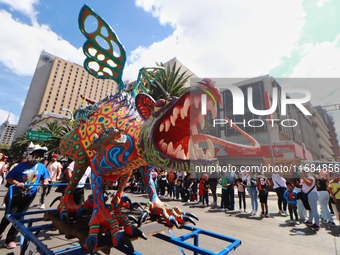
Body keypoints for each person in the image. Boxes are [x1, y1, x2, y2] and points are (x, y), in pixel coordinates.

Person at [0, 143, 49, 249]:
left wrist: (45, 181)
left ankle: (10, 239)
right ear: (29, 154)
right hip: (15, 195)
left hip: (29, 196)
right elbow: (9, 178)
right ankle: (0, 231)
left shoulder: (41, 166)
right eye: (35, 155)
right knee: (10, 216)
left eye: (38, 156)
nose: (36, 157)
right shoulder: (20, 166)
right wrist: (17, 183)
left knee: (18, 218)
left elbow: (46, 177)